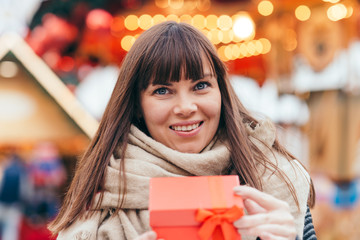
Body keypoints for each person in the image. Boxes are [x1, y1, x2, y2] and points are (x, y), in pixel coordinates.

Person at [48, 21, 315, 240]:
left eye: (200, 85)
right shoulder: (103, 194)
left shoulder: (275, 178)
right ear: (137, 105)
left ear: (221, 91)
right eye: (162, 91)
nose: (186, 107)